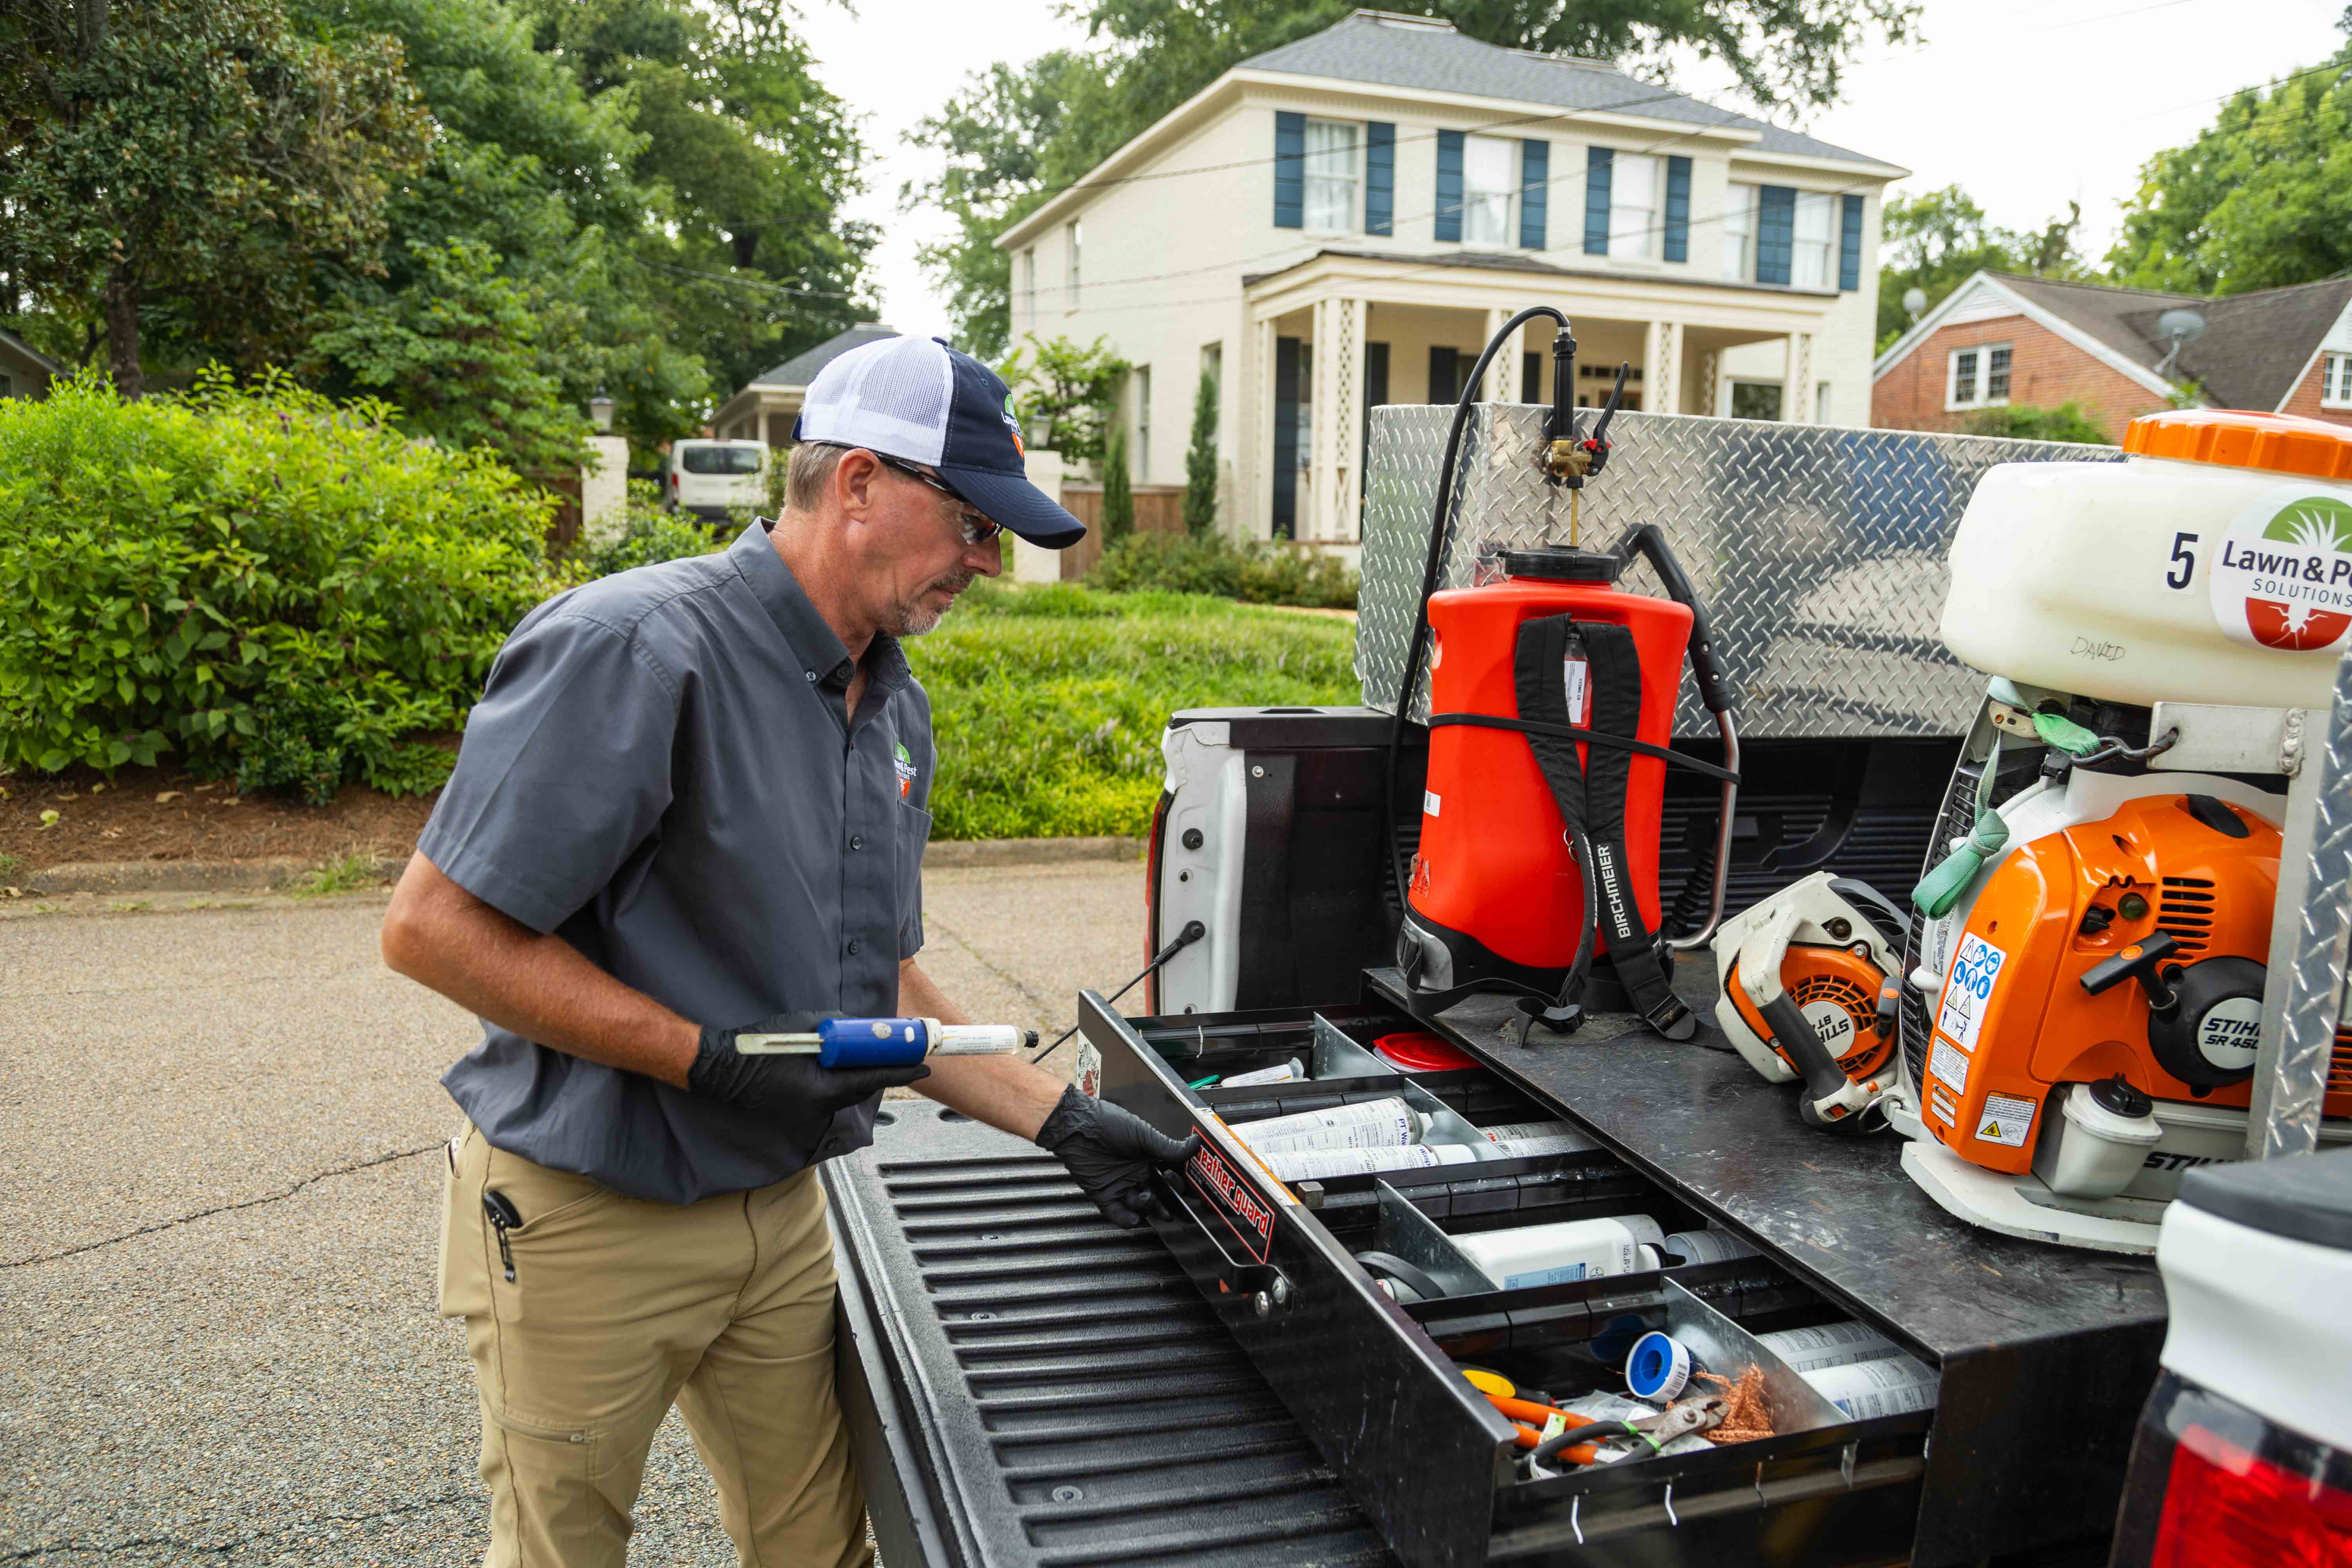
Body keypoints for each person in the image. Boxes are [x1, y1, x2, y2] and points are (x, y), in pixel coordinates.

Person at [379, 335, 1198, 1568]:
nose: (988, 561)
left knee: (818, 1548)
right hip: (592, 1214)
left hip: (783, 1207)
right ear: (859, 482)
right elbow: (432, 930)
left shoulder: (892, 699)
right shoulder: (642, 649)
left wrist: (1058, 1120)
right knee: (563, 1551)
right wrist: (703, 1059)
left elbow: (879, 981)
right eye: (972, 522)